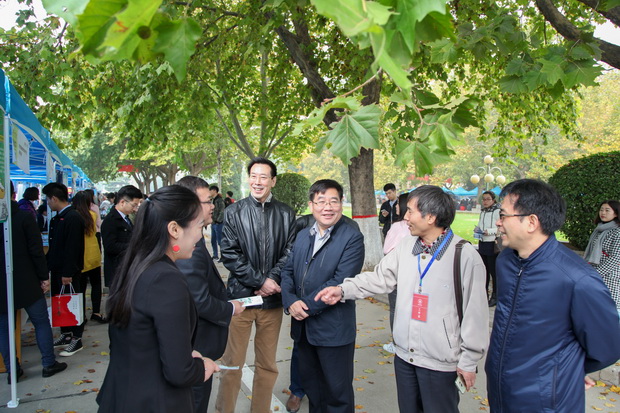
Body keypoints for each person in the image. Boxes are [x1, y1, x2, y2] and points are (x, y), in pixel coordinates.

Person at [315, 185, 489, 413]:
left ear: (430, 217)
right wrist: (343, 290)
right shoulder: (406, 246)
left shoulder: (464, 256)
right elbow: (379, 278)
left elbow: (476, 315)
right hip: (405, 357)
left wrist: (468, 361)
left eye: (410, 211)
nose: (405, 217)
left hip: (440, 363)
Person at [484, 180, 620, 413]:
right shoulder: (506, 261)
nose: (498, 222)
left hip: (547, 401)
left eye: (503, 215)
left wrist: (565, 370)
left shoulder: (577, 279)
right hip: (501, 391)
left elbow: (607, 347)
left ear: (531, 222)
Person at [96, 185, 219, 412]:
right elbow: (179, 372)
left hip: (123, 396)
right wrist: (202, 367)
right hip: (153, 401)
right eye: (199, 226)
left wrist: (184, 353)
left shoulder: (137, 265)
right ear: (174, 229)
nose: (200, 236)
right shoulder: (166, 280)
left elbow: (142, 340)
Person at [215, 157, 297, 413]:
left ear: (273, 181)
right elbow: (230, 254)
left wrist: (270, 282)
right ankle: (224, 409)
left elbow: (290, 252)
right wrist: (260, 281)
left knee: (267, 364)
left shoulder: (286, 213)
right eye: (253, 176)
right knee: (231, 363)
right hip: (240, 300)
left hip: (271, 303)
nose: (258, 181)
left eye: (263, 177)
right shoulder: (233, 212)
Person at [281, 179, 364, 413]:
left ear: (341, 203)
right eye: (321, 201)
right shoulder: (303, 235)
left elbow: (340, 280)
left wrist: (303, 306)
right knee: (314, 390)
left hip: (333, 331)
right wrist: (290, 301)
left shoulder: (352, 237)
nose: (327, 207)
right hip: (304, 331)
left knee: (337, 395)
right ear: (311, 205)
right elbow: (288, 271)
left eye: (333, 201)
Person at [176, 176, 245, 413]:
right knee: (194, 402)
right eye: (207, 201)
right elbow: (199, 301)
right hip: (194, 346)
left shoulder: (194, 241)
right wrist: (231, 308)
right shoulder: (189, 248)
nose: (212, 206)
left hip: (195, 346)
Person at [0, 182, 67, 383]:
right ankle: (48, 363)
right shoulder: (23, 217)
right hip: (27, 280)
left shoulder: (21, 217)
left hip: (5, 284)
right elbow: (36, 250)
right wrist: (43, 276)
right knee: (40, 321)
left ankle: (12, 370)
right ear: (13, 194)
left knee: (4, 328)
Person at [42, 182, 86, 357]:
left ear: (54, 198)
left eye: (48, 199)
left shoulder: (73, 217)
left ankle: (76, 338)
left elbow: (72, 248)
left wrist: (68, 272)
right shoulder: (58, 218)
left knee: (72, 303)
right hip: (57, 269)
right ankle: (66, 334)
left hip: (68, 271)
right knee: (60, 302)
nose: (47, 203)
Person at [381, 192, 410, 354]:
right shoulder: (420, 227)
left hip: (397, 275)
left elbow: (387, 249)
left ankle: (396, 342)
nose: (397, 206)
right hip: (414, 277)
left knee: (395, 309)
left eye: (399, 203)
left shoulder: (398, 227)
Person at [72, 191, 106, 324]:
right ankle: (96, 312)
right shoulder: (92, 214)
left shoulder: (73, 216)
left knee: (80, 287)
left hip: (81, 256)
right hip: (94, 254)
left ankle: (82, 315)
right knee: (96, 284)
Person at [101, 185, 143, 287]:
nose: (135, 209)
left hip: (126, 269)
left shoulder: (126, 218)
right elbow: (110, 246)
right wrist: (134, 246)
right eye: (134, 205)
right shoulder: (111, 220)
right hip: (117, 272)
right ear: (122, 202)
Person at [584, 200, 620, 315]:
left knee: (609, 308)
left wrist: (595, 273)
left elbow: (616, 258)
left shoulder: (617, 231)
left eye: (607, 210)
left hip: (610, 276)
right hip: (594, 273)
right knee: (594, 307)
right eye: (601, 210)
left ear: (616, 213)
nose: (603, 213)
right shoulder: (599, 229)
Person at [474, 190, 501, 307]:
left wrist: (488, 231)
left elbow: (500, 227)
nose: (485, 201)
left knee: (493, 271)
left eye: (488, 199)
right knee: (484, 270)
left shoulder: (497, 211)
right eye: (483, 199)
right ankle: (483, 294)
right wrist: (478, 230)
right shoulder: (483, 211)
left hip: (492, 243)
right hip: (482, 242)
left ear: (493, 200)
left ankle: (495, 296)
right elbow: (481, 224)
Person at [209, 185, 225, 260]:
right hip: (213, 223)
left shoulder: (219, 200)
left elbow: (222, 211)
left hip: (218, 223)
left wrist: (218, 221)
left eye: (210, 190)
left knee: (220, 241)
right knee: (213, 240)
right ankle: (215, 255)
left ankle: (223, 256)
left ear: (214, 191)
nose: (209, 192)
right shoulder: (213, 200)